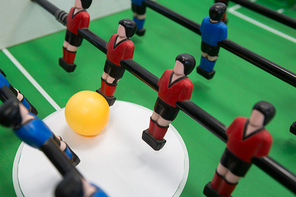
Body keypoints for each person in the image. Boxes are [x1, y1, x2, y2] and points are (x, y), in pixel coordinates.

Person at [203, 101, 275, 197]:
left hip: (243, 162)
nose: (255, 117)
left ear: (265, 121)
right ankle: (213, 187)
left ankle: (223, 194)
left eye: (259, 117)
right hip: (228, 152)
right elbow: (229, 132)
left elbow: (261, 154)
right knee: (220, 170)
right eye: (254, 114)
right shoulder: (239, 121)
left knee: (231, 179)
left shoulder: (266, 138)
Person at [0, 99, 80, 166]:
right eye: (20, 107)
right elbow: (45, 141)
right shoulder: (31, 130)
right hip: (50, 141)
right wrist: (56, 141)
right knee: (61, 148)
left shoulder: (26, 122)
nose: (22, 106)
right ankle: (71, 159)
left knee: (60, 144)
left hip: (49, 135)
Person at [142, 53, 195, 151]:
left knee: (162, 122)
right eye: (176, 64)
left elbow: (184, 101)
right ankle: (149, 133)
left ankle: (157, 139)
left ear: (187, 69)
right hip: (160, 99)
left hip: (171, 107)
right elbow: (160, 83)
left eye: (180, 66)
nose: (177, 67)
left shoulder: (187, 85)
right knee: (154, 116)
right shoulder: (167, 73)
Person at [96, 19, 137, 106]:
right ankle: (102, 91)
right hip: (109, 61)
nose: (119, 29)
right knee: (104, 76)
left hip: (118, 67)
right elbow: (108, 47)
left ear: (128, 32)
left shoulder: (129, 45)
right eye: (119, 27)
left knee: (111, 80)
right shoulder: (114, 37)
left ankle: (108, 95)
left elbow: (127, 60)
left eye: (122, 28)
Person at [196, 3, 227, 79]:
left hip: (203, 43)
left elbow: (201, 29)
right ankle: (207, 70)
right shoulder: (222, 27)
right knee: (211, 58)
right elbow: (222, 39)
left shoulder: (205, 20)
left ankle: (201, 67)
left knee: (203, 55)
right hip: (213, 46)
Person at [59, 0, 92, 72]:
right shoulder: (72, 9)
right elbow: (69, 19)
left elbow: (84, 29)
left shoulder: (85, 15)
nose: (76, 1)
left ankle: (69, 63)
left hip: (76, 36)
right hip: (69, 31)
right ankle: (64, 59)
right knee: (65, 45)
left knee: (70, 49)